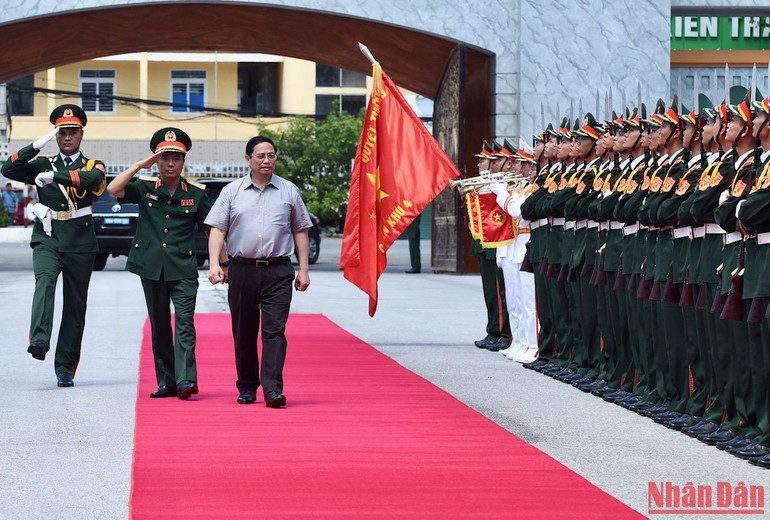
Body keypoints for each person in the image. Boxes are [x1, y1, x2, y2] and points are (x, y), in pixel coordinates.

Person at [0, 104, 105, 387]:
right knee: (44, 281)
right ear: (56, 136)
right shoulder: (42, 162)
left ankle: (65, 368)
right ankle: (40, 339)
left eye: (72, 132)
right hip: (47, 235)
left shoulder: (93, 165)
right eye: (61, 133)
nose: (67, 138)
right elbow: (8, 168)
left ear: (81, 134)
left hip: (80, 240)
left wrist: (54, 176)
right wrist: (35, 146)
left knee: (75, 305)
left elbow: (92, 181)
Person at [205, 136, 312, 408]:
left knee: (274, 331)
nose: (267, 161)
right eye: (260, 156)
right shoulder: (232, 192)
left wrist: (303, 269)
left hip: (278, 271)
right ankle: (247, 386)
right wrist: (216, 264)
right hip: (242, 270)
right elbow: (217, 228)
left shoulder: (289, 191)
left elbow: (301, 229)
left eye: (271, 155)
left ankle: (273, 389)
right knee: (244, 330)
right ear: (248, 160)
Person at [107, 128, 211, 400]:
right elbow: (113, 189)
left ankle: (186, 379)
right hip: (151, 266)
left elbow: (212, 230)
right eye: (165, 158)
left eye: (176, 158)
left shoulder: (197, 194)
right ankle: (167, 382)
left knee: (185, 323)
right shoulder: (144, 187)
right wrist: (141, 165)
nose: (171, 163)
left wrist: (220, 262)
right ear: (158, 160)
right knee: (160, 324)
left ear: (183, 161)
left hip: (183, 267)